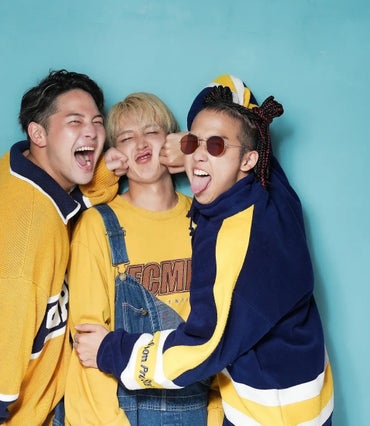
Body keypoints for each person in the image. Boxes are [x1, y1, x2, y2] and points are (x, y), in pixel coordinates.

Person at [74, 74, 335, 425]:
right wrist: (201, 145)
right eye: (192, 142)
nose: (199, 153)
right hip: (308, 399)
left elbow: (203, 345)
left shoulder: (230, 239)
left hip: (269, 412)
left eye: (216, 146)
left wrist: (111, 350)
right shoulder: (273, 190)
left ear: (249, 159)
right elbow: (233, 90)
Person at [0, 69, 127, 425]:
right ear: (38, 134)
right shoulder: (26, 242)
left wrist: (104, 174)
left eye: (97, 121)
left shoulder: (17, 168)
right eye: (74, 121)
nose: (91, 131)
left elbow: (66, 206)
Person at [64, 92, 223, 425]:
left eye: (151, 132)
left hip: (196, 407)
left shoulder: (207, 219)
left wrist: (215, 415)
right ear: (115, 155)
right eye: (126, 137)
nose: (140, 143)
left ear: (171, 142)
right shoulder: (98, 226)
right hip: (125, 412)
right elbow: (87, 343)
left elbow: (223, 329)